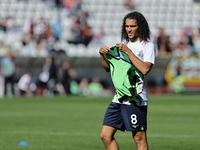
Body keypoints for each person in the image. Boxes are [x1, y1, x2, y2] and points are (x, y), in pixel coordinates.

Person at [99, 11, 155, 150]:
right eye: (127, 26)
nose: (129, 29)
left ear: (140, 27)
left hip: (136, 98)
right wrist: (102, 56)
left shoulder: (147, 46)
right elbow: (108, 68)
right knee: (105, 135)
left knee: (138, 139)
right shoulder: (123, 44)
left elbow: (145, 69)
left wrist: (128, 52)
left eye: (132, 26)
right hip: (119, 97)